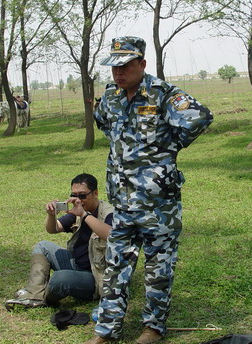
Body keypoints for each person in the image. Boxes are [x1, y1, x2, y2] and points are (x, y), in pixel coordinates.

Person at [86, 36, 213, 344]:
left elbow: (200, 117)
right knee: (116, 268)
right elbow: (102, 121)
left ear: (142, 64)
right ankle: (106, 332)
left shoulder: (164, 94)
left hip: (159, 205)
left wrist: (169, 146)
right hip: (124, 203)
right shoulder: (112, 97)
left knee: (158, 270)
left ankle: (152, 329)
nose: (119, 73)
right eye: (114, 67)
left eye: (126, 66)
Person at [5, 173, 114, 310]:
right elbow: (53, 229)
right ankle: (35, 293)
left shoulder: (108, 213)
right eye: (74, 195)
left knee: (60, 279)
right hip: (75, 263)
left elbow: (110, 235)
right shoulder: (78, 211)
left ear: (95, 193)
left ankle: (37, 297)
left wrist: (84, 215)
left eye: (82, 195)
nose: (78, 200)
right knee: (42, 246)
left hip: (95, 277)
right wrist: (51, 215)